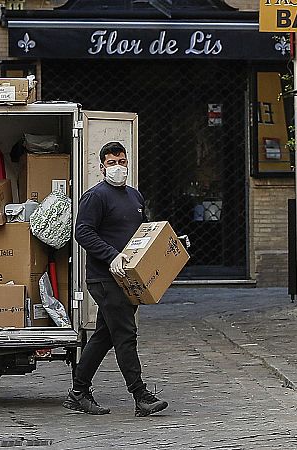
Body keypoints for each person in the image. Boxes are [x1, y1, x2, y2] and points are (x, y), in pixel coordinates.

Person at [62, 141, 168, 417]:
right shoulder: (95, 197)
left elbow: (141, 235)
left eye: (122, 161)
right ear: (102, 167)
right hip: (105, 278)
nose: (118, 167)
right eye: (112, 163)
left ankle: (78, 392)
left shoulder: (135, 197)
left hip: (127, 277)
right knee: (125, 334)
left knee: (103, 336)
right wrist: (111, 256)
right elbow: (83, 232)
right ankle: (140, 394)